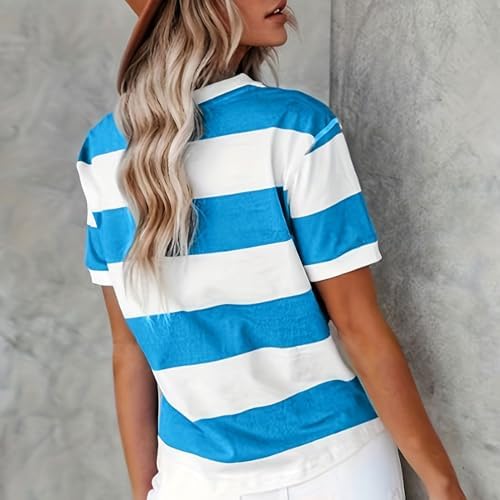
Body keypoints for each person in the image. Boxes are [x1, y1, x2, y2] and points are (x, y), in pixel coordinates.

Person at [74, 1, 467, 499]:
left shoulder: (104, 151)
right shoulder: (295, 128)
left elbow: (128, 351)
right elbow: (358, 327)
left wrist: (441, 482)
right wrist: (442, 484)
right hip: (313, 472)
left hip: (314, 471)